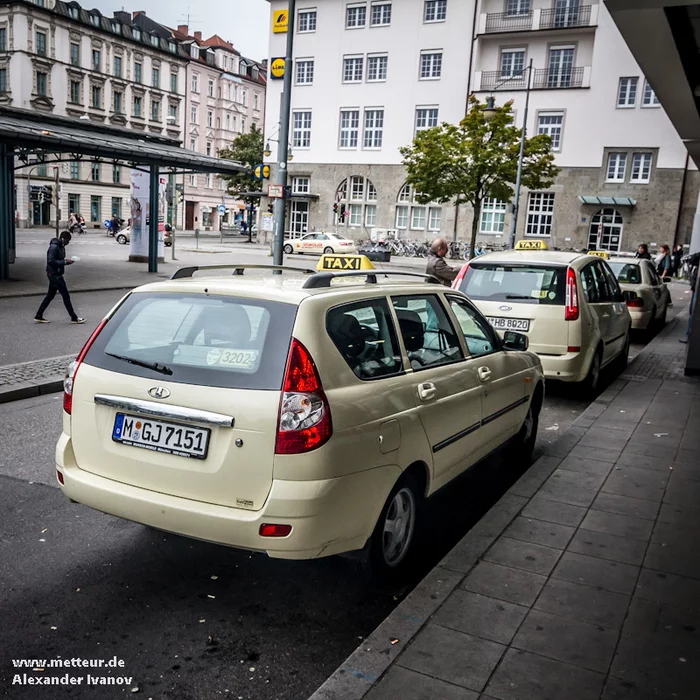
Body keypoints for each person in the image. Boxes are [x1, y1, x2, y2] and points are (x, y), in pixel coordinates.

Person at [34, 231, 85, 324]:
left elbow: (59, 259)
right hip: (55, 275)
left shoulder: (61, 246)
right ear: (63, 239)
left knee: (50, 296)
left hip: (54, 274)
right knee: (65, 296)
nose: (68, 243)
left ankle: (39, 315)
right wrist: (65, 262)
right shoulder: (54, 247)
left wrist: (66, 261)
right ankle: (74, 317)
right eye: (67, 241)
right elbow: (51, 261)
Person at [680, 251, 700, 344]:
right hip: (695, 288)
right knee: (692, 313)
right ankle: (689, 335)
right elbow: (692, 260)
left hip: (697, 289)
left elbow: (692, 260)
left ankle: (689, 336)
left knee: (693, 313)